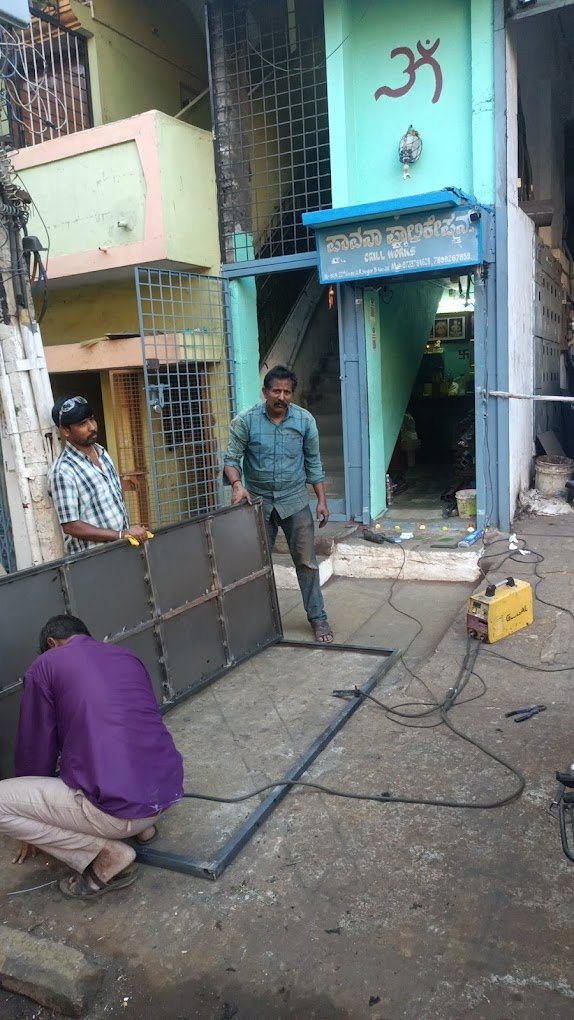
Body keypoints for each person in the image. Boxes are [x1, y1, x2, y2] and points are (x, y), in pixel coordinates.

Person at [0, 614, 184, 899]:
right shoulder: (126, 656)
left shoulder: (46, 664)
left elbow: (35, 750)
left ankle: (105, 855)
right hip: (166, 791)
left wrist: (31, 819)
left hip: (118, 811)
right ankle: (144, 830)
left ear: (52, 643)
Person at [224, 364, 334, 643]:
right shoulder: (246, 421)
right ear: (265, 392)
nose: (281, 397)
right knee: (255, 564)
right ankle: (256, 622)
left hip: (295, 501)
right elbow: (231, 460)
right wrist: (238, 485)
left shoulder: (304, 421)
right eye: (276, 391)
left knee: (307, 562)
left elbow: (313, 462)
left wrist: (321, 500)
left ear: (292, 395)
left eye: (287, 392)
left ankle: (318, 618)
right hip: (258, 502)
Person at [49, 395, 150, 554]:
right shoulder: (63, 470)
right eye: (82, 424)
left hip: (120, 549)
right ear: (66, 431)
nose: (92, 427)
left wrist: (124, 534)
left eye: (91, 419)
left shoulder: (102, 453)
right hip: (93, 559)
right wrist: (121, 534)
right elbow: (70, 525)